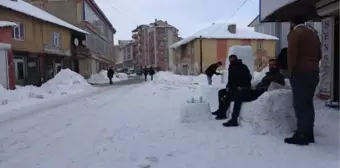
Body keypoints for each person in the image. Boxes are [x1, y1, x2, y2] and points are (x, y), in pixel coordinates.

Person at [285, 15, 321, 146]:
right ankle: (309, 133)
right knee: (308, 103)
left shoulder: (295, 34)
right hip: (314, 72)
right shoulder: (313, 33)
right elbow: (319, 54)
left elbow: (292, 54)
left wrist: (291, 72)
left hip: (301, 72)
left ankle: (301, 134)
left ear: (293, 22)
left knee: (300, 104)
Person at [222, 59, 285, 127]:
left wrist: (258, 89)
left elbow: (275, 86)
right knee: (239, 91)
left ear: (277, 66)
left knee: (240, 95)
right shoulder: (268, 75)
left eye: (274, 65)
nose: (271, 67)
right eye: (270, 65)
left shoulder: (279, 76)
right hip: (256, 90)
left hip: (260, 93)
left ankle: (233, 119)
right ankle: (227, 99)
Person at [212, 55, 252, 120]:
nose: (232, 61)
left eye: (233, 60)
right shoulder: (231, 67)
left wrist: (241, 86)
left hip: (240, 89)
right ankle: (220, 110)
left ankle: (222, 114)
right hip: (232, 87)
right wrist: (228, 86)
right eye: (230, 60)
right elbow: (230, 79)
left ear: (236, 59)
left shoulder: (243, 67)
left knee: (228, 96)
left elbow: (248, 78)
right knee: (221, 92)